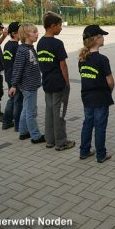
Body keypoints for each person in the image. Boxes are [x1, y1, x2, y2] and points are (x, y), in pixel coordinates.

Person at [37, 12, 75, 151]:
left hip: (46, 82)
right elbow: (62, 65)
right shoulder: (57, 43)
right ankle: (61, 142)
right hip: (59, 83)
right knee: (59, 113)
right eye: (59, 26)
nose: (61, 28)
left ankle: (50, 140)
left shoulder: (40, 42)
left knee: (49, 111)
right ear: (53, 26)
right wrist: (67, 82)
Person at [78, 25, 114, 163]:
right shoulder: (102, 59)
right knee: (100, 126)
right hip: (100, 97)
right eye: (102, 36)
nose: (104, 38)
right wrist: (108, 92)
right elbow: (110, 81)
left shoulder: (82, 59)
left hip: (86, 96)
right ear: (96, 39)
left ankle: (84, 151)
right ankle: (101, 154)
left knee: (88, 123)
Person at [9, 24, 45, 144]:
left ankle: (23, 132)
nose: (37, 34)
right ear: (26, 35)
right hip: (28, 86)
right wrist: (13, 85)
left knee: (26, 109)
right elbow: (17, 68)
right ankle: (35, 136)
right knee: (31, 112)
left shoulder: (30, 48)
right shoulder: (23, 50)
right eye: (34, 32)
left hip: (31, 84)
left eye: (37, 32)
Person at [2, 22, 23, 131]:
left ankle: (6, 121)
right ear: (14, 34)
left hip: (8, 76)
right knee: (18, 101)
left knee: (12, 99)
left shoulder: (7, 45)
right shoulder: (17, 48)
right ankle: (18, 125)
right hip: (15, 78)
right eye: (20, 32)